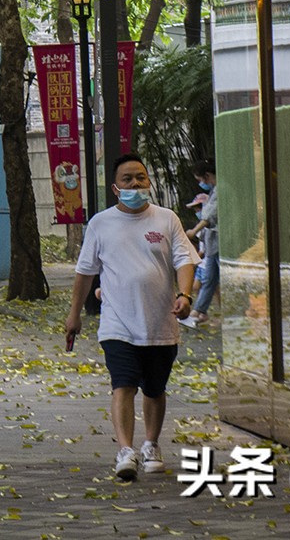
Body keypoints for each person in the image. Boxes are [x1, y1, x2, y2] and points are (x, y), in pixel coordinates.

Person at [65, 153, 199, 483]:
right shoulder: (100, 224)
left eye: (141, 177)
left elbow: (185, 260)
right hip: (117, 323)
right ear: (115, 187)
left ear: (148, 182)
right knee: (122, 384)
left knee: (154, 388)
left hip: (159, 323)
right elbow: (85, 273)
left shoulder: (166, 219)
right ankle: (126, 450)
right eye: (127, 179)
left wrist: (185, 296)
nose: (135, 184)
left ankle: (151, 444)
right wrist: (74, 316)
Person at [180, 163, 218, 328]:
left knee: (212, 281)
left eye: (200, 180)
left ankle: (198, 311)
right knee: (209, 280)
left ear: (207, 176)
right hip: (212, 246)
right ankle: (198, 311)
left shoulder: (219, 192)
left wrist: (194, 231)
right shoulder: (213, 192)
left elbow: (208, 217)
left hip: (217, 245)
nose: (200, 183)